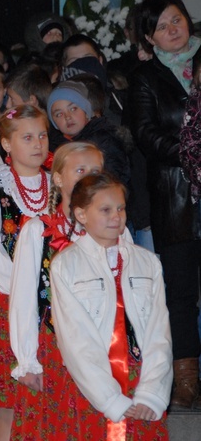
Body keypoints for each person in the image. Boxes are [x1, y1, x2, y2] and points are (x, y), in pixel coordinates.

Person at [51, 173, 172, 439]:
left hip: (140, 380)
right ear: (82, 215)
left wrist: (152, 393)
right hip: (92, 386)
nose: (116, 216)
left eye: (121, 208)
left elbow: (158, 332)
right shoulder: (65, 265)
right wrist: (109, 398)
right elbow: (75, 339)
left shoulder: (147, 262)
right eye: (105, 210)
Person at [128, 0, 201, 409]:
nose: (173, 29)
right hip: (175, 198)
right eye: (162, 26)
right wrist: (192, 152)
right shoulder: (146, 78)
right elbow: (146, 135)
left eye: (177, 19)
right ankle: (186, 374)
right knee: (180, 291)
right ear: (150, 39)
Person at [8, 142, 104, 439]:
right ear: (59, 178)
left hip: (103, 348)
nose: (89, 177)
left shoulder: (116, 229)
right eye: (80, 170)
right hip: (56, 349)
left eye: (96, 171)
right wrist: (26, 359)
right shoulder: (38, 230)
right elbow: (23, 298)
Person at [0, 104, 51, 441]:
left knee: (49, 395)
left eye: (43, 136)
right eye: (27, 137)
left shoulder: (59, 186)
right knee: (8, 400)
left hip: (54, 309)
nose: (38, 144)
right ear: (6, 144)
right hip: (7, 304)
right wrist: (27, 291)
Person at [47, 79, 130, 186]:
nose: (67, 117)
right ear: (55, 124)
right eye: (59, 114)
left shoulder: (104, 140)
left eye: (73, 109)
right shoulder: (58, 149)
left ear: (86, 112)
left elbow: (112, 182)